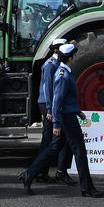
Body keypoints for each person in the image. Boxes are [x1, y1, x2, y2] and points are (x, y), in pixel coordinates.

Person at [21, 43, 104, 197]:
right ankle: (87, 187)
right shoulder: (63, 75)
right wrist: (57, 123)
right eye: (74, 55)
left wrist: (77, 111)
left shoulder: (63, 72)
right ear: (71, 58)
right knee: (80, 151)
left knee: (54, 148)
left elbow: (66, 99)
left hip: (68, 115)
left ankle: (29, 174)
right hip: (66, 119)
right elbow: (57, 102)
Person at [30, 38, 74, 185]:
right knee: (51, 138)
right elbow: (48, 89)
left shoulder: (56, 64)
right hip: (48, 105)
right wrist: (50, 109)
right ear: (56, 50)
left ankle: (44, 171)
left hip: (52, 105)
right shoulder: (50, 65)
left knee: (53, 138)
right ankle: (42, 171)